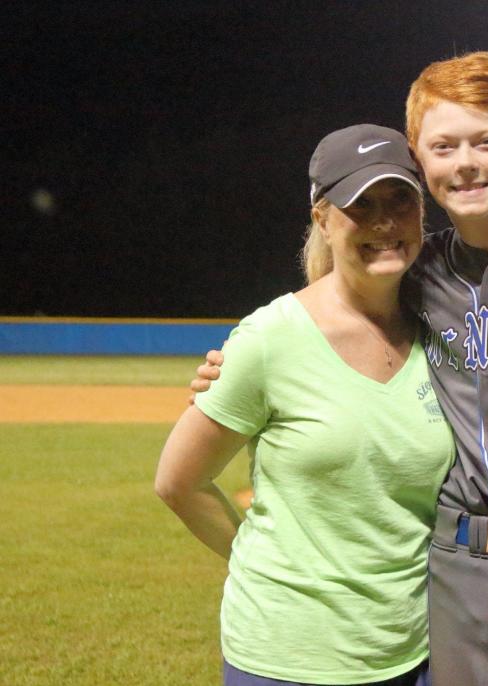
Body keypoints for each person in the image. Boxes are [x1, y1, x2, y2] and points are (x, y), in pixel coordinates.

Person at [195, 52, 488, 685]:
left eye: (486, 141)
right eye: (443, 146)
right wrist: (226, 372)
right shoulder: (416, 270)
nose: (467, 161)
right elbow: (330, 309)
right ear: (421, 165)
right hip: (467, 577)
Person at [156, 124, 455, 686]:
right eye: (359, 206)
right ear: (322, 218)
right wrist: (260, 563)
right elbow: (178, 481)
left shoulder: (443, 334)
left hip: (415, 651)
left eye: (400, 201)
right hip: (287, 659)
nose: (385, 222)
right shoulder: (272, 338)